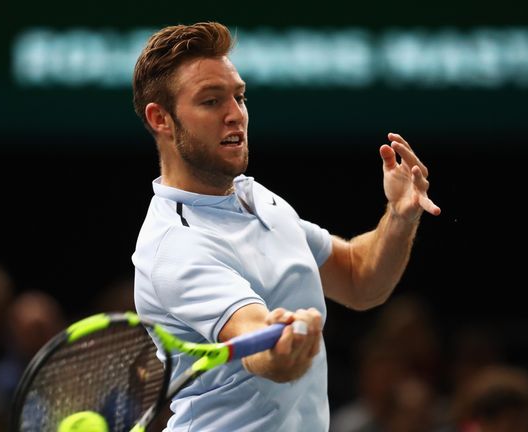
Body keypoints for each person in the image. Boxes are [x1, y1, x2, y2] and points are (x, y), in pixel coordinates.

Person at [131, 21, 441, 431]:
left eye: (239, 97)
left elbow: (359, 279)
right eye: (210, 101)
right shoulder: (175, 247)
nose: (234, 115)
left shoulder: (258, 199)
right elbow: (258, 346)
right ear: (161, 119)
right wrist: (283, 341)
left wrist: (400, 216)